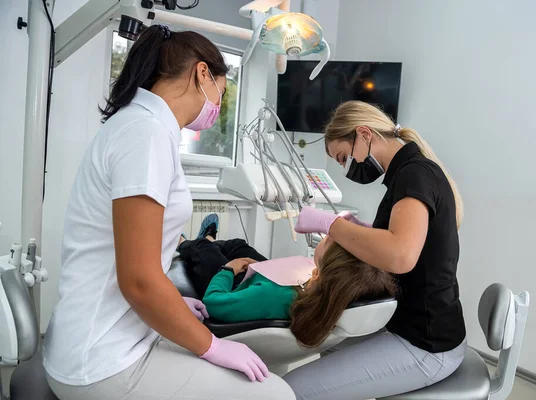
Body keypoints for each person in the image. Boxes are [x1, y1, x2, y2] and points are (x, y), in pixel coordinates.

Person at [43, 25, 295, 400]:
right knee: (277, 394)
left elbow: (130, 257)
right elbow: (139, 280)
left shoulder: (143, 127)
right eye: (222, 93)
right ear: (202, 73)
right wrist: (213, 346)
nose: (217, 106)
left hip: (113, 336)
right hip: (101, 358)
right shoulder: (144, 133)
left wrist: (173, 302)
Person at [284, 100, 468, 400]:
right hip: (413, 326)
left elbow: (400, 255)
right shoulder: (408, 173)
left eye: (344, 157)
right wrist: (364, 230)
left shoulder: (414, 174)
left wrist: (331, 224)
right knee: (329, 348)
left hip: (426, 344)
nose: (346, 168)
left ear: (364, 134)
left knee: (292, 390)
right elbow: (404, 241)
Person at [184, 221, 396, 348]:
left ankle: (189, 242)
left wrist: (228, 270)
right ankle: (213, 242)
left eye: (330, 239)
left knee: (203, 249)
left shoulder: (273, 295)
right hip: (268, 281)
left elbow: (213, 302)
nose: (326, 236)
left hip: (238, 287)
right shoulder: (325, 290)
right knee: (237, 245)